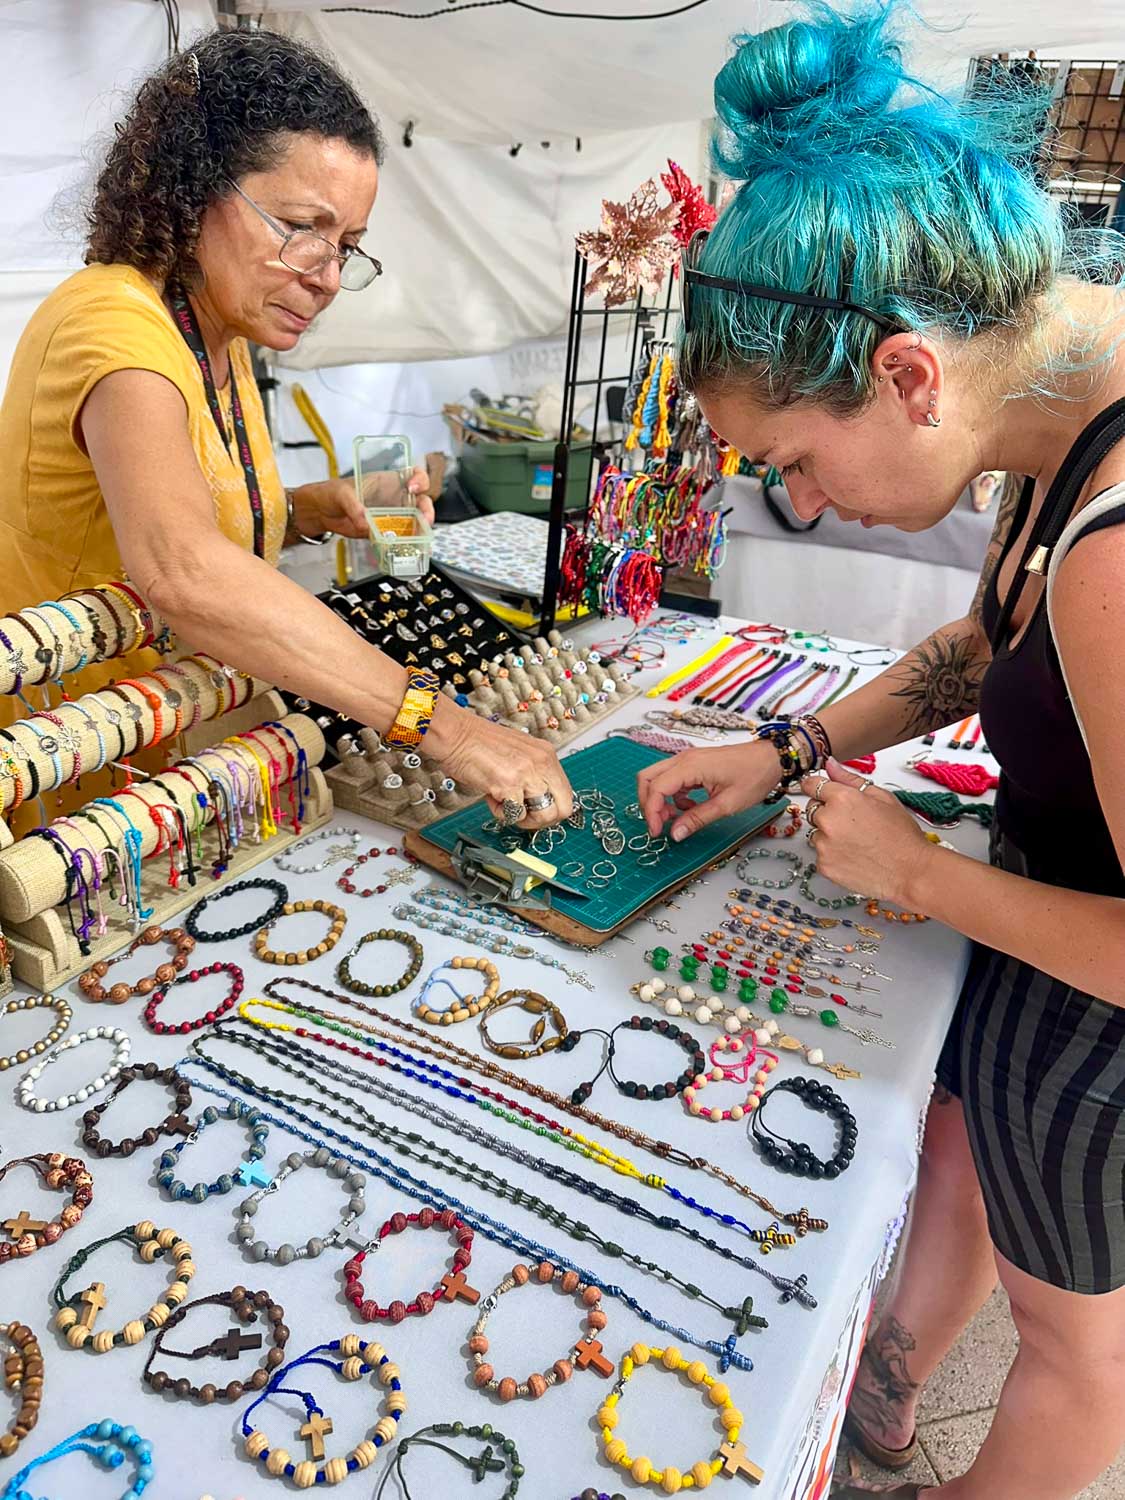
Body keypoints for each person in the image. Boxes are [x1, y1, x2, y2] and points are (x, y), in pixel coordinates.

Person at [638, 8, 1125, 1499]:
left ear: (907, 376)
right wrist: (786, 748)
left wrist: (919, 873)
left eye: (788, 460)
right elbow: (985, 647)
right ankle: (882, 1403)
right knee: (961, 1180)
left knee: (1075, 1360)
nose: (795, 491)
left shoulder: (1116, 549)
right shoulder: (1049, 416)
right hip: (1048, 950)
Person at [0, 29, 570, 828]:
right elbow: (183, 569)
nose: (328, 275)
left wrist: (305, 508)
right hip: (71, 778)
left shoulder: (217, 331)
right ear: (195, 187)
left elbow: (166, 507)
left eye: (348, 247)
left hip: (167, 750)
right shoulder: (112, 328)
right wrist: (448, 728)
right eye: (303, 227)